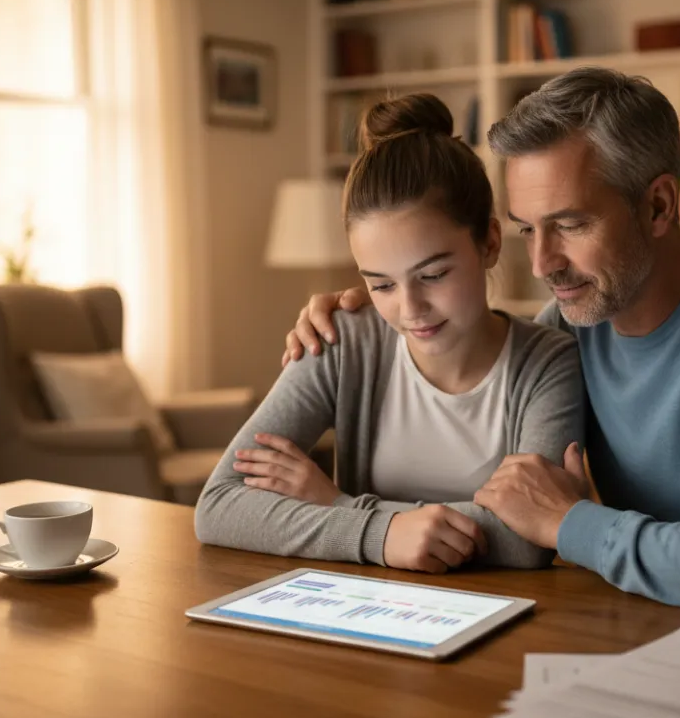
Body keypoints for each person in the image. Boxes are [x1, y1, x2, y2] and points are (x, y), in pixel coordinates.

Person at [280, 68, 680, 622]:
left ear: (658, 206)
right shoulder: (567, 328)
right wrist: (371, 305)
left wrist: (571, 525)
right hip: (662, 636)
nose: (545, 262)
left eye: (571, 225)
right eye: (528, 230)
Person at [195, 93, 584, 575]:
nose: (410, 309)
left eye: (434, 274)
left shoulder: (548, 362)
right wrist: (382, 536)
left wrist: (338, 506)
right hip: (365, 616)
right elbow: (219, 507)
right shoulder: (342, 341)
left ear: (488, 242)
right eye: (380, 283)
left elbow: (527, 539)